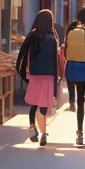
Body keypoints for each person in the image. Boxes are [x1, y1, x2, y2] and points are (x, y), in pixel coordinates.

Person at [16, 9, 58, 148]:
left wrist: (23, 75)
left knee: (33, 104)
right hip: (47, 76)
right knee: (44, 106)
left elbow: (21, 55)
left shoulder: (32, 35)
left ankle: (32, 128)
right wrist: (55, 88)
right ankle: (44, 134)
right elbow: (54, 62)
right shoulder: (52, 39)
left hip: (34, 76)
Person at [65, 6, 85, 145]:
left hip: (70, 65)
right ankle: (80, 131)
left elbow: (66, 50)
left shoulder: (70, 31)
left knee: (73, 91)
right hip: (82, 67)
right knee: (81, 100)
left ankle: (71, 100)